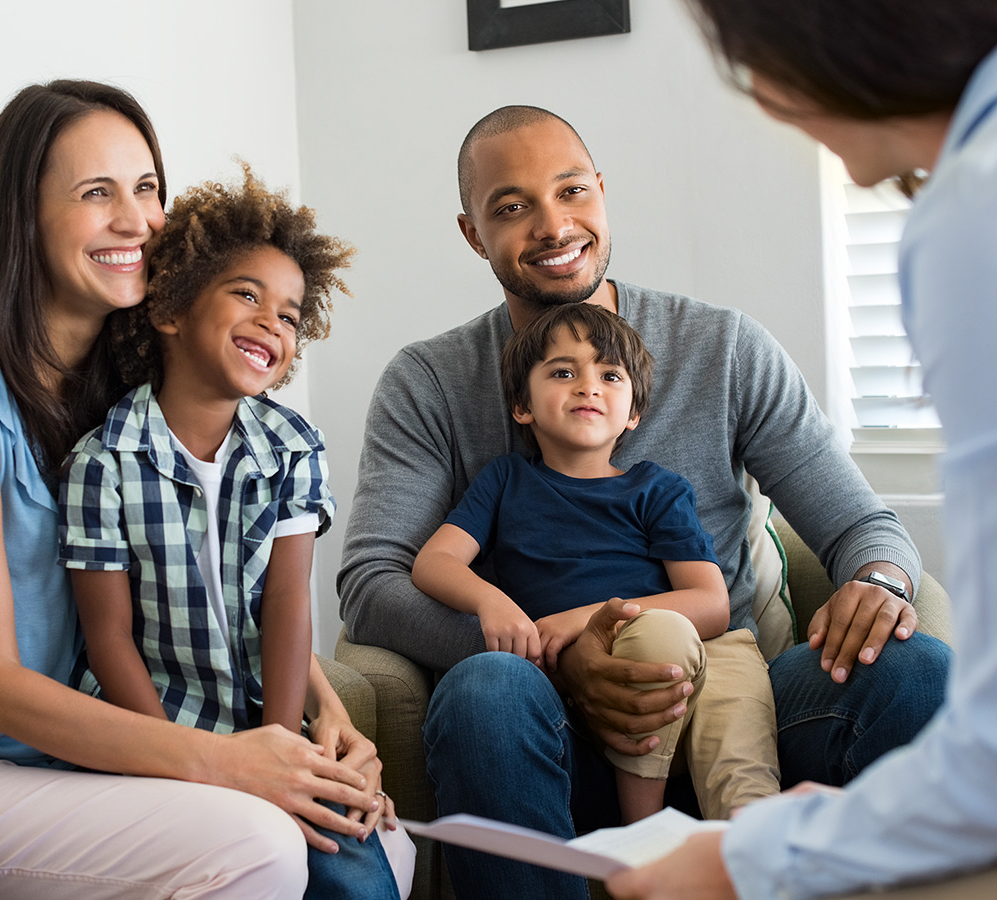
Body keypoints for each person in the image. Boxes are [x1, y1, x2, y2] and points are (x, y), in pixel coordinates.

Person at [338, 102, 951, 899]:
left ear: (601, 191)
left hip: (725, 698)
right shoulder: (430, 383)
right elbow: (373, 583)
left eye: (571, 191)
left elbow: (863, 526)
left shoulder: (723, 348)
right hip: (540, 724)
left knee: (916, 670)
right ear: (473, 234)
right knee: (486, 692)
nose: (554, 226)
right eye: (512, 207)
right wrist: (559, 658)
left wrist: (879, 580)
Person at [0, 79, 400, 899]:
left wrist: (323, 719)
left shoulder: (130, 390)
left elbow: (222, 588)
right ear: (23, 216)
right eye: (96, 193)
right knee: (261, 848)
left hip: (77, 758)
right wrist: (227, 763)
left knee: (378, 844)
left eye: (146, 188)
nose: (137, 220)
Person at [605, 2, 997, 898]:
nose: (762, 102)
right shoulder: (439, 385)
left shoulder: (970, 215)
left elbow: (981, 768)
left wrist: (753, 856)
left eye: (751, 62)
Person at [59, 166, 413, 897]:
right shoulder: (102, 463)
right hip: (148, 732)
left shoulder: (293, 448)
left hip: (262, 726)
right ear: (171, 309)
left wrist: (282, 755)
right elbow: (108, 638)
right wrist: (180, 762)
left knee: (357, 863)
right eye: (247, 295)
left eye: (289, 315)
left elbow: (286, 605)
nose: (271, 323)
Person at [411, 302, 779, 824]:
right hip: (589, 683)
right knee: (654, 639)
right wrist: (490, 601)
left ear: (633, 414)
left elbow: (710, 604)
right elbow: (434, 562)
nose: (588, 387)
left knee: (743, 778)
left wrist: (578, 619)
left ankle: (739, 852)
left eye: (610, 375)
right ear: (522, 405)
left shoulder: (657, 488)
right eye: (564, 373)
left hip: (709, 653)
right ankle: (642, 833)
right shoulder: (505, 480)